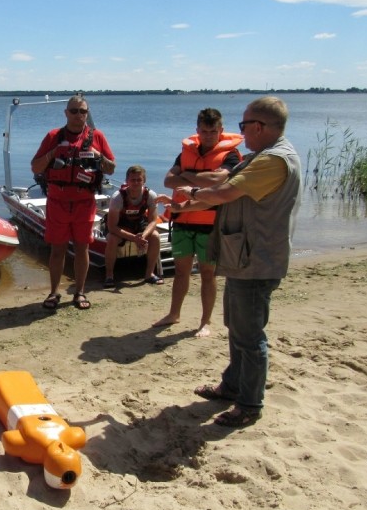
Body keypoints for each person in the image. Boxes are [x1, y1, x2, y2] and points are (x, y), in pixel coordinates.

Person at [174, 96, 300, 427]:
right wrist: (183, 201)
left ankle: (249, 405)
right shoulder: (263, 157)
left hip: (257, 259)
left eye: (244, 126)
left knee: (249, 336)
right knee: (237, 328)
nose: (240, 133)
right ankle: (231, 386)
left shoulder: (274, 161)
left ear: (259, 127)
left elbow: (225, 193)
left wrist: (187, 196)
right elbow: (222, 183)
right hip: (245, 257)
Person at [153, 109, 243, 337]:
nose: (209, 136)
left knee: (207, 274)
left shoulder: (230, 155)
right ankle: (174, 314)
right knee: (181, 272)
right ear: (197, 131)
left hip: (210, 224)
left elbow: (218, 178)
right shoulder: (185, 153)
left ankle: (205, 322)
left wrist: (187, 176)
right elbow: (168, 180)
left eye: (213, 131)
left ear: (221, 131)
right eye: (204, 131)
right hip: (183, 221)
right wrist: (198, 177)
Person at [30, 95, 115, 310]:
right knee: (57, 250)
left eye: (83, 111)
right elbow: (36, 167)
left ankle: (79, 292)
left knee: (82, 248)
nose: (79, 115)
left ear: (88, 113)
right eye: (74, 111)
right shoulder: (53, 136)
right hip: (58, 202)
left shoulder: (97, 136)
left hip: (84, 202)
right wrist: (53, 153)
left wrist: (97, 155)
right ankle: (54, 292)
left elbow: (111, 168)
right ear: (66, 113)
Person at [103, 165, 162, 286]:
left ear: (144, 181)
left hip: (139, 224)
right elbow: (112, 226)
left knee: (155, 236)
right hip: (120, 225)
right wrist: (134, 238)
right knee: (112, 239)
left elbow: (153, 221)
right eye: (132, 180)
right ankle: (109, 276)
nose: (136, 182)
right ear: (127, 181)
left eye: (139, 180)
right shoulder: (118, 197)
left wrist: (143, 236)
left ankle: (149, 274)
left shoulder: (150, 195)